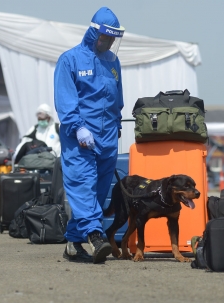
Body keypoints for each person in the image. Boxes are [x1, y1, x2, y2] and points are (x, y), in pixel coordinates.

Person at [54, 7, 125, 264]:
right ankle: (96, 237)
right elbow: (65, 100)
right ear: (93, 33)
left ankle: (73, 243)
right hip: (79, 139)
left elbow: (117, 98)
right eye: (105, 37)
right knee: (83, 187)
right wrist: (77, 127)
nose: (109, 43)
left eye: (113, 39)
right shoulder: (70, 60)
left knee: (98, 191)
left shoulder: (112, 62)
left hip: (107, 140)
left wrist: (116, 125)